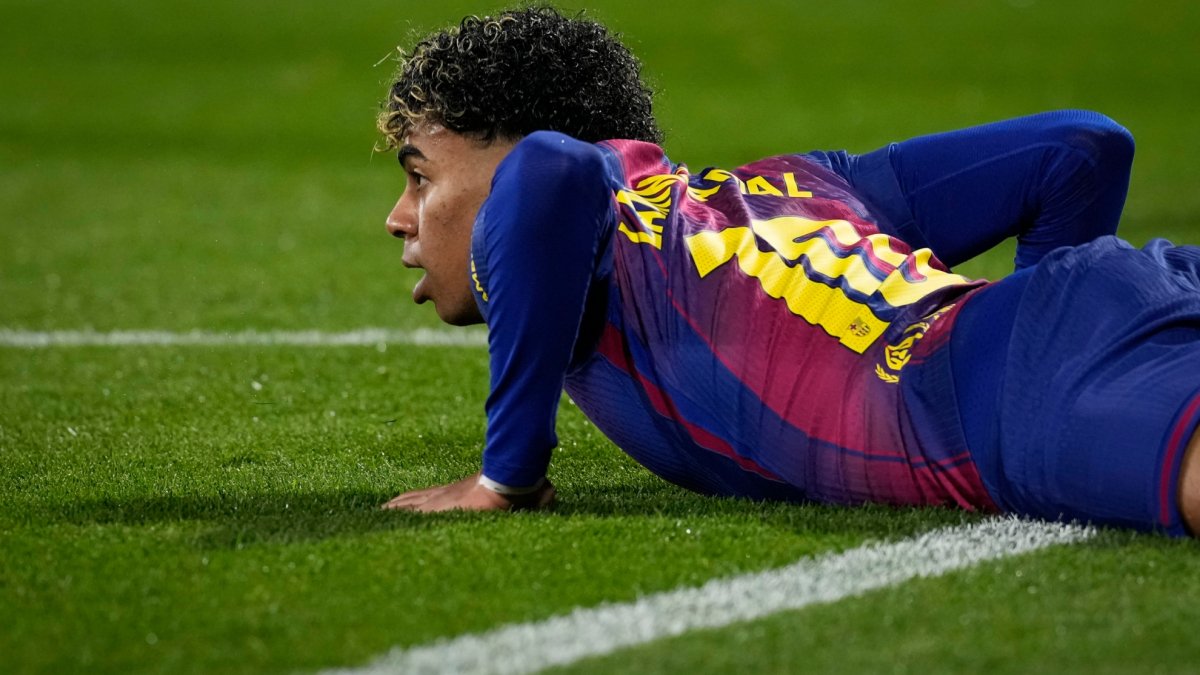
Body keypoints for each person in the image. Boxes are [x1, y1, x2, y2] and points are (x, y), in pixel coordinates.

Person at [376, 7, 1200, 537]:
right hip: (1132, 293)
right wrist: (1044, 311)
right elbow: (1079, 150)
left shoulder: (567, 192)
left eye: (419, 176)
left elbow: (549, 173)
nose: (399, 216)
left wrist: (508, 476)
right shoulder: (790, 187)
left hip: (1021, 377)